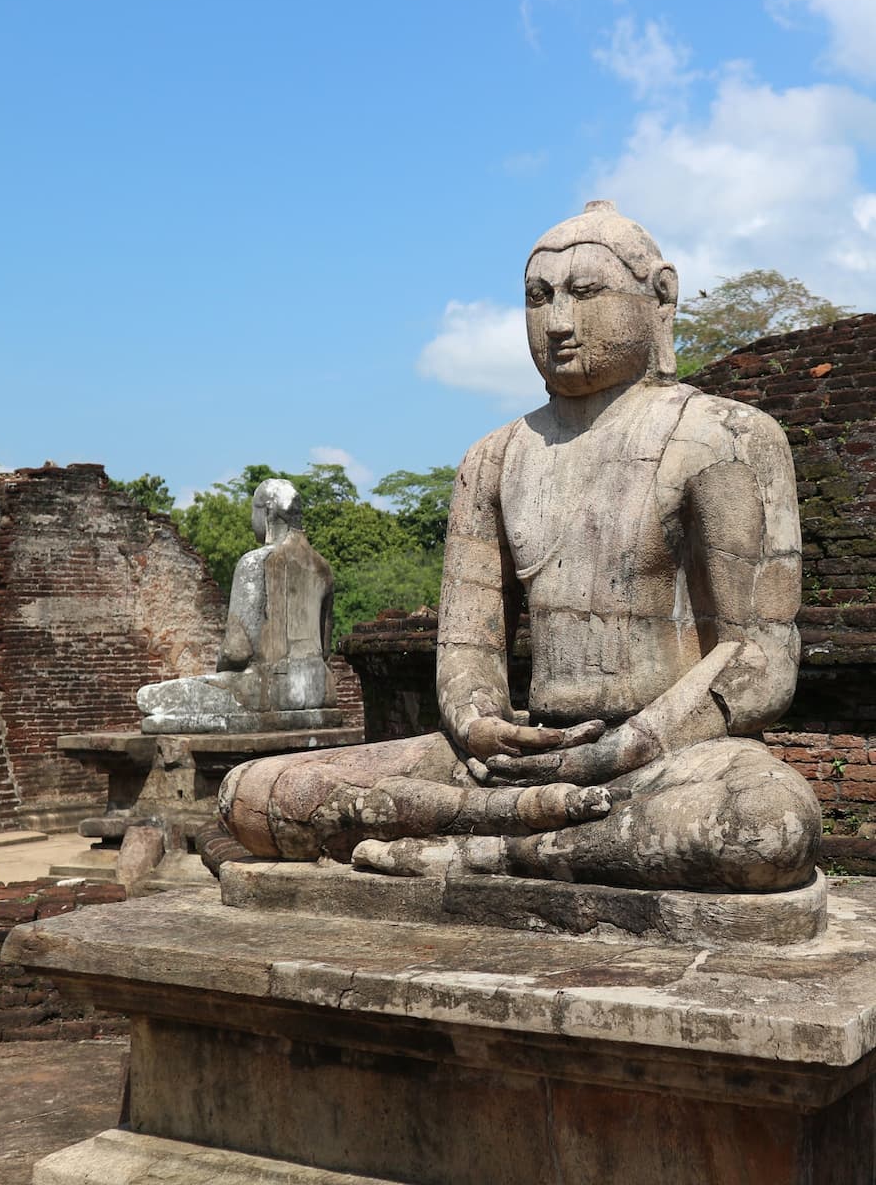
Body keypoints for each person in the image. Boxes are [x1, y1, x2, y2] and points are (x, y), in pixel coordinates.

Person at [219, 202, 820, 891]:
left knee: (766, 825)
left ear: (660, 297)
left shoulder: (725, 438)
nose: (558, 321)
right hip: (515, 760)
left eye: (585, 292)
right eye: (539, 297)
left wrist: (629, 745)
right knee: (252, 793)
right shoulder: (494, 457)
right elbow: (468, 648)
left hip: (662, 758)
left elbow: (758, 658)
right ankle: (530, 827)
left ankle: (491, 851)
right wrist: (478, 723)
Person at [138, 478, 339, 732]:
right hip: (319, 688)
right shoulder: (323, 569)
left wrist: (223, 669)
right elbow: (325, 651)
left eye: (254, 510)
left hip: (268, 689)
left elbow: (237, 651)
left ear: (267, 512)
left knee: (150, 698)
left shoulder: (257, 562)